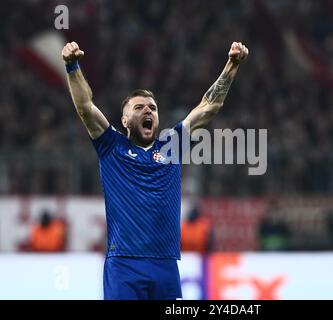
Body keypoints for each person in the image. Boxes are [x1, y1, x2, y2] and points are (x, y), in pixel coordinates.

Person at [62, 40, 248, 300]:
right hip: (124, 264)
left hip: (165, 265)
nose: (148, 110)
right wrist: (72, 66)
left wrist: (232, 64)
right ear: (125, 120)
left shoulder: (172, 145)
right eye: (139, 107)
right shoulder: (111, 146)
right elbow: (85, 108)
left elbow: (208, 108)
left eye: (152, 107)